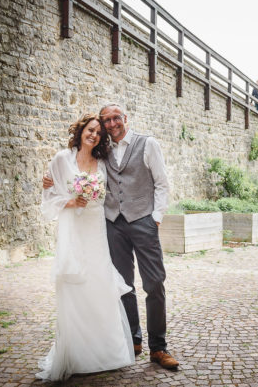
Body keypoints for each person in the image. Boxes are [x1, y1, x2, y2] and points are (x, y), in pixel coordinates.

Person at [43, 103, 179, 371]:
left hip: (143, 221)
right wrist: (48, 180)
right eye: (106, 120)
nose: (112, 123)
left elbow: (162, 183)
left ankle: (159, 347)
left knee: (154, 283)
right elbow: (70, 168)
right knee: (122, 284)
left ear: (125, 118)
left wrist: (156, 218)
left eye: (116, 118)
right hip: (112, 225)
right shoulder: (101, 152)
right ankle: (133, 339)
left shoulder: (147, 144)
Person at [37, 113, 135, 381]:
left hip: (95, 227)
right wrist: (69, 201)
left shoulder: (101, 162)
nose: (94, 135)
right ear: (81, 130)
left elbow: (110, 192)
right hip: (73, 227)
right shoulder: (62, 158)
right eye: (90, 130)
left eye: (99, 133)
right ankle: (78, 353)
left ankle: (107, 352)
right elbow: (48, 195)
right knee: (75, 282)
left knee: (99, 282)